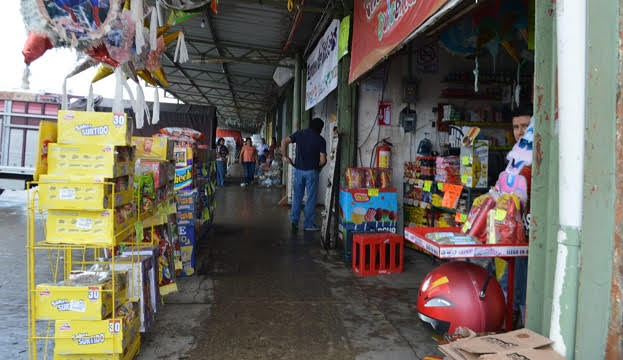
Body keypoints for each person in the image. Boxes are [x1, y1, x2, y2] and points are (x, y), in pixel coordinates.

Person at [281, 118, 327, 232]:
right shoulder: (321, 140)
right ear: (320, 128)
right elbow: (323, 160)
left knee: (297, 196)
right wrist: (318, 168)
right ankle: (308, 224)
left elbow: (284, 141)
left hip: (298, 171)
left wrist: (285, 156)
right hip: (312, 171)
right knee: (310, 199)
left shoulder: (300, 133)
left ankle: (294, 221)